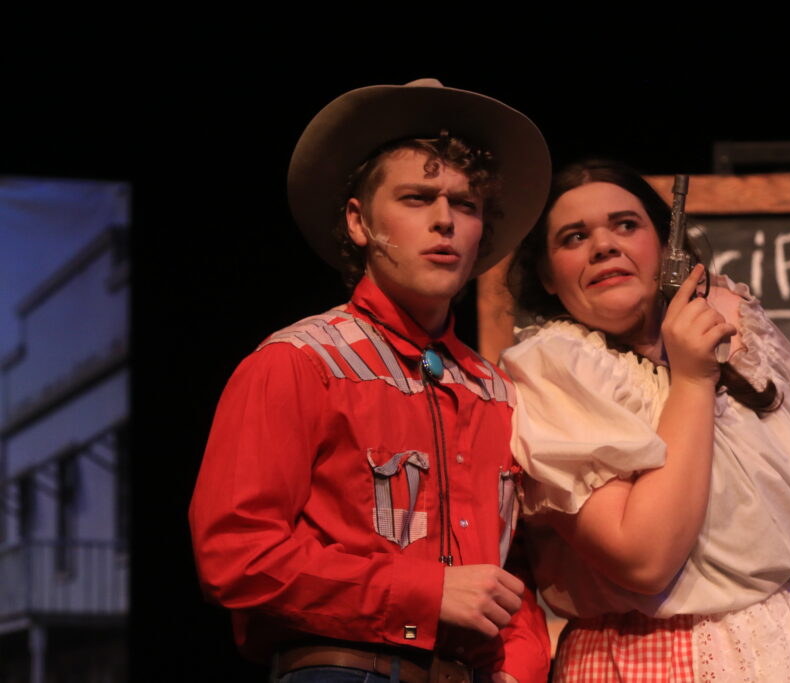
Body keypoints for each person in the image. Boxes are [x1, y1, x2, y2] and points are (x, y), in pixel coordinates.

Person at [189, 79, 552, 683]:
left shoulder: (495, 390)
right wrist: (422, 592)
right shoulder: (299, 362)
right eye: (417, 198)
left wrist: (521, 666)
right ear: (359, 221)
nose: (445, 221)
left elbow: (512, 573)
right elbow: (236, 554)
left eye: (465, 205)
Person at [501, 160, 790, 682]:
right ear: (547, 275)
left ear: (666, 247)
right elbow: (643, 559)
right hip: (659, 658)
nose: (604, 246)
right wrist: (690, 380)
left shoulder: (734, 337)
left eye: (626, 225)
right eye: (574, 237)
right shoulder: (557, 371)